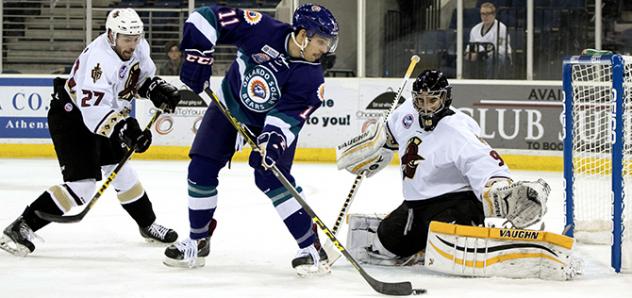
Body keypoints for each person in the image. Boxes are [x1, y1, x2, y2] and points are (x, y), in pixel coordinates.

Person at [336, 70, 581, 279]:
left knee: (448, 242)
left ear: (445, 98)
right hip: (415, 207)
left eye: (432, 100)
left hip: (455, 203)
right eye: (420, 100)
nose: (425, 107)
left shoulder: (458, 129)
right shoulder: (406, 112)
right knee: (386, 242)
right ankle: (423, 245)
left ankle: (463, 235)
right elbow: (388, 135)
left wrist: (501, 189)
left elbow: (486, 162)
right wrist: (376, 149)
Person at [162, 4, 339, 276]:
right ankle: (198, 239)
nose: (325, 50)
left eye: (328, 43)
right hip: (231, 105)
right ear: (303, 35)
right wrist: (198, 54)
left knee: (271, 178)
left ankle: (310, 246)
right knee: (201, 166)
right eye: (321, 41)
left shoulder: (311, 77)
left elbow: (288, 117)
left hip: (268, 123)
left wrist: (272, 142)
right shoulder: (262, 29)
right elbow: (207, 17)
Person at [0, 8, 182, 257]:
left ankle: (147, 224)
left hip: (105, 112)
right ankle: (21, 226)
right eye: (126, 39)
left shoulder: (138, 47)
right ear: (111, 35)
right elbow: (92, 111)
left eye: (135, 38)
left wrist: (155, 89)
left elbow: (138, 81)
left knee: (123, 172)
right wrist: (123, 128)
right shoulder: (100, 59)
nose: (132, 44)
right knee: (82, 187)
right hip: (72, 116)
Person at [465, 2, 511, 77]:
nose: (485, 16)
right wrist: (470, 53)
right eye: (483, 14)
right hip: (479, 57)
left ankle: (490, 82)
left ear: (494, 14)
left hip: (499, 57)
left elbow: (501, 50)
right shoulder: (475, 29)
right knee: (467, 57)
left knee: (494, 58)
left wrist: (483, 54)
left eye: (488, 13)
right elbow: (470, 47)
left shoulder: (501, 28)